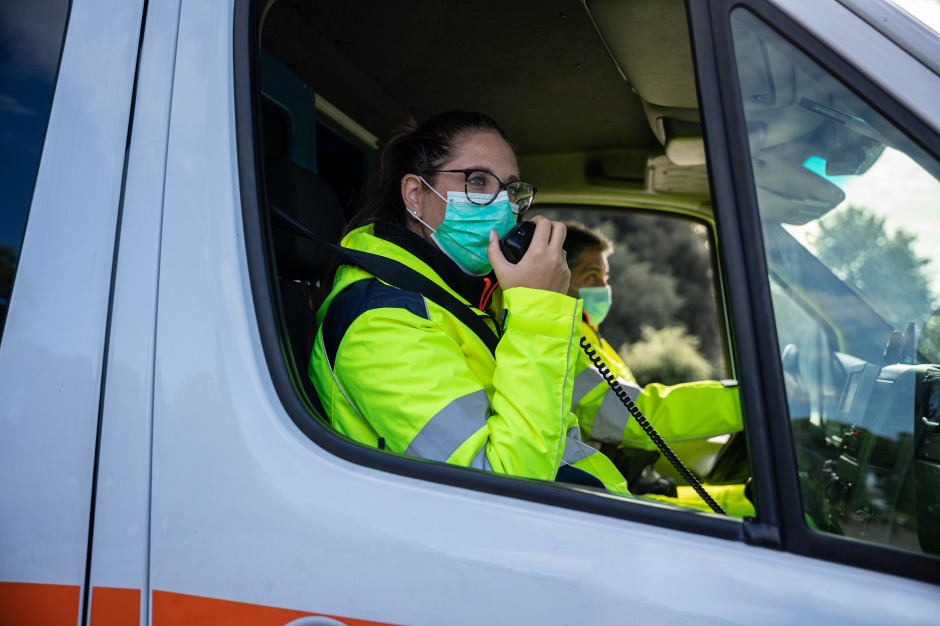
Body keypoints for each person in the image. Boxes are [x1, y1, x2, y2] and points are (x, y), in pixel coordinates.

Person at [308, 111, 630, 494]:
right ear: (415, 194)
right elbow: (504, 487)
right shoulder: (380, 320)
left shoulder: (471, 302)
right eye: (478, 180)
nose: (502, 206)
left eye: (511, 189)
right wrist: (538, 310)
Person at [562, 221, 754, 515]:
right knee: (762, 508)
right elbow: (639, 418)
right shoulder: (561, 342)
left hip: (628, 480)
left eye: (605, 276)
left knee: (755, 500)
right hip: (602, 495)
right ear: (558, 276)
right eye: (591, 276)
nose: (603, 287)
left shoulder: (588, 336)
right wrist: (750, 400)